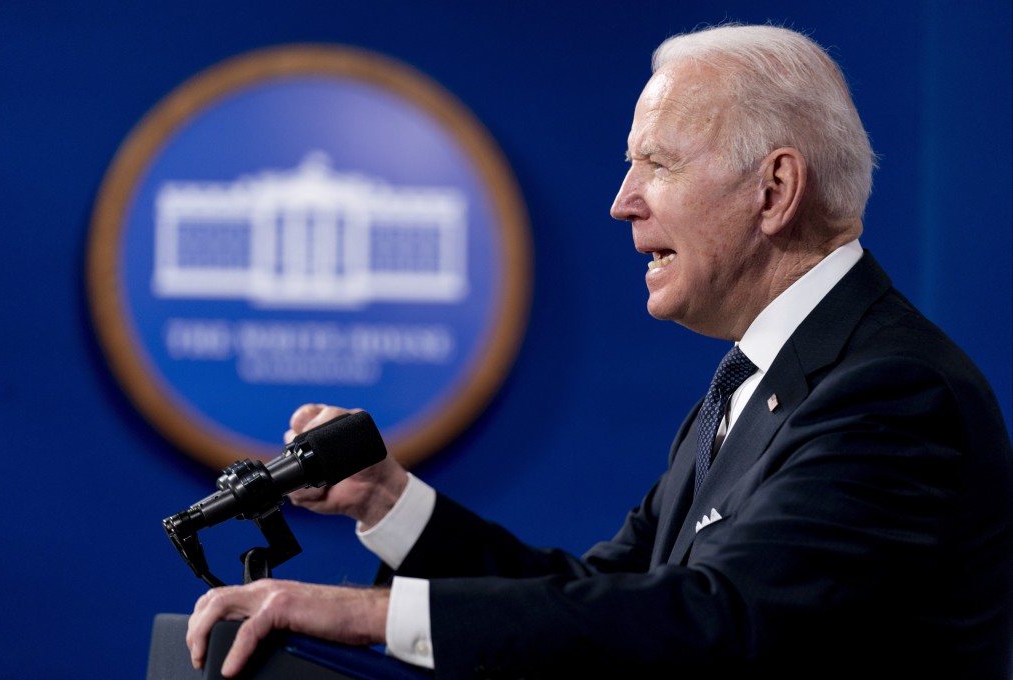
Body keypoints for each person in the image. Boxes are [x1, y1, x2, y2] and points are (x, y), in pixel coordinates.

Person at [186, 23, 1013, 679]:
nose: (623, 204)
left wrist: (371, 617)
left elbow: (717, 624)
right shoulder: (749, 384)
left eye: (656, 164)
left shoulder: (892, 392)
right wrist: (389, 501)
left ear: (774, 190)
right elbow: (605, 600)